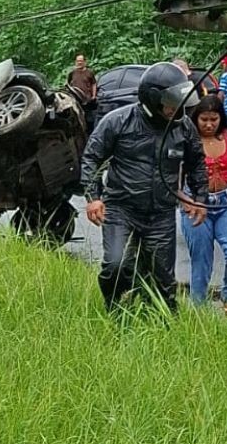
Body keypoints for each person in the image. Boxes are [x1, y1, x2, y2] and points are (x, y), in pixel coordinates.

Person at [79, 61, 208, 311]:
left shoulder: (184, 127)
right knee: (117, 266)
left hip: (161, 214)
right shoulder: (118, 121)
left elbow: (197, 162)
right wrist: (93, 197)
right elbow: (92, 157)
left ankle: (163, 324)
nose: (176, 109)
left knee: (163, 280)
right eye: (170, 103)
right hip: (120, 210)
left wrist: (200, 197)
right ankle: (115, 307)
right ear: (152, 99)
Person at [181, 95, 227, 314]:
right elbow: (173, 179)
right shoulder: (187, 141)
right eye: (204, 119)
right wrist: (186, 202)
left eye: (214, 119)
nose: (209, 124)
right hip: (196, 205)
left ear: (221, 118)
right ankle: (198, 310)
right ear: (196, 119)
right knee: (201, 260)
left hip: (226, 203)